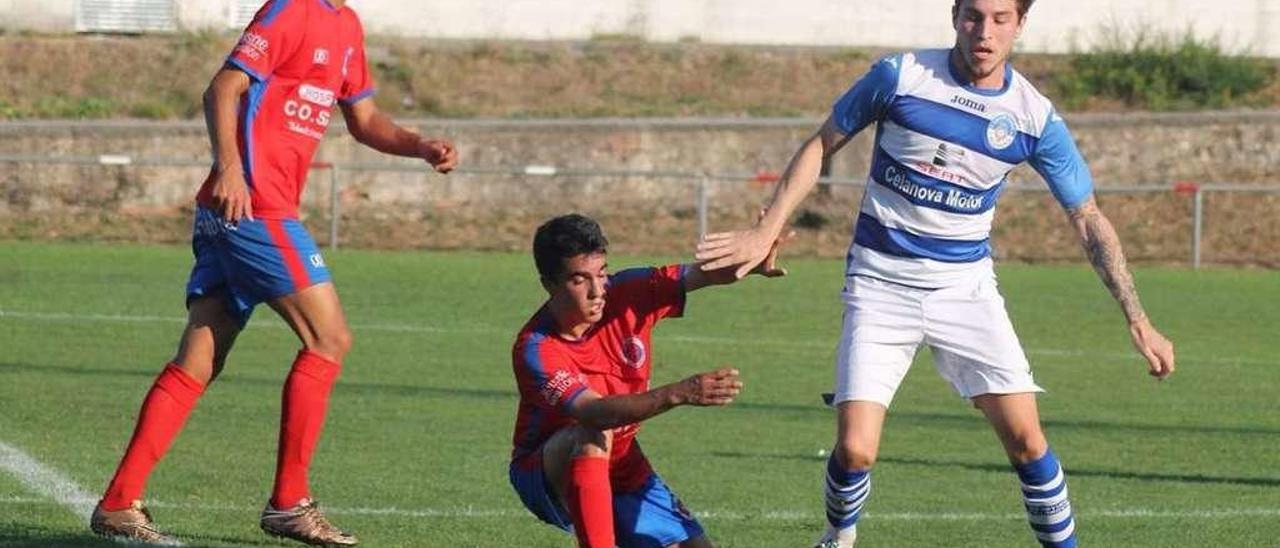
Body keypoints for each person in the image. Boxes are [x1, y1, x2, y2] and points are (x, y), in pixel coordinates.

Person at [695, 1, 1176, 546]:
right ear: (954, 16)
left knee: (1028, 442)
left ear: (1021, 25)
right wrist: (766, 230)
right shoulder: (900, 76)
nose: (984, 32)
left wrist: (1138, 318)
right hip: (879, 283)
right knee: (856, 449)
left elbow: (1087, 217)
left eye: (1000, 19)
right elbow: (822, 143)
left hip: (964, 291)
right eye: (974, 16)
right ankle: (837, 535)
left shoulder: (1033, 117)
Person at [89, 0, 459, 545]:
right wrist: (230, 168)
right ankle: (289, 503)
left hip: (236, 211)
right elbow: (222, 88)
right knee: (329, 338)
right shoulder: (291, 9)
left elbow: (364, 120)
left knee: (198, 360)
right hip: (254, 207)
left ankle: (119, 501)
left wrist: (419, 146)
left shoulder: (346, 24)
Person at [509, 213, 784, 548]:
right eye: (579, 280)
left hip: (624, 463)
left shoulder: (628, 292)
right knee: (594, 430)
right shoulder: (536, 348)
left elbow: (699, 274)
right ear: (549, 284)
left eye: (602, 273)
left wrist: (749, 260)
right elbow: (593, 413)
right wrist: (679, 393)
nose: (598, 291)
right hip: (545, 470)